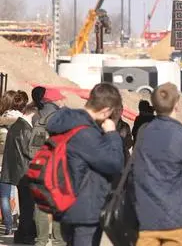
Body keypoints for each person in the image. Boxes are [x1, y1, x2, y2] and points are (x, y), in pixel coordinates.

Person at [46, 83, 124, 246]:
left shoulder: (68, 123)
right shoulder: (85, 133)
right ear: (106, 110)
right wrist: (111, 134)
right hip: (84, 208)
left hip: (67, 202)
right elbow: (114, 163)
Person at [134, 83, 182, 246]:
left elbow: (135, 171)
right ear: (177, 104)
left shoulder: (143, 133)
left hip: (146, 214)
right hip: (177, 216)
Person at [30, 86, 65, 246]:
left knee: (40, 205)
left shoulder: (37, 118)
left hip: (40, 167)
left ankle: (41, 240)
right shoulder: (62, 117)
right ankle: (59, 241)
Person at [0, 91, 36, 244]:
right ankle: (23, 233)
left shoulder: (14, 125)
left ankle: (19, 232)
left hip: (15, 170)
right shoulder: (24, 127)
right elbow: (28, 151)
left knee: (19, 202)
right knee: (27, 206)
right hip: (24, 171)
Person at [0, 90, 23, 235]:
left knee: (4, 196)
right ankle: (10, 225)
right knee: (6, 195)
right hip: (10, 164)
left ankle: (9, 224)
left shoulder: (2, 121)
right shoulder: (20, 122)